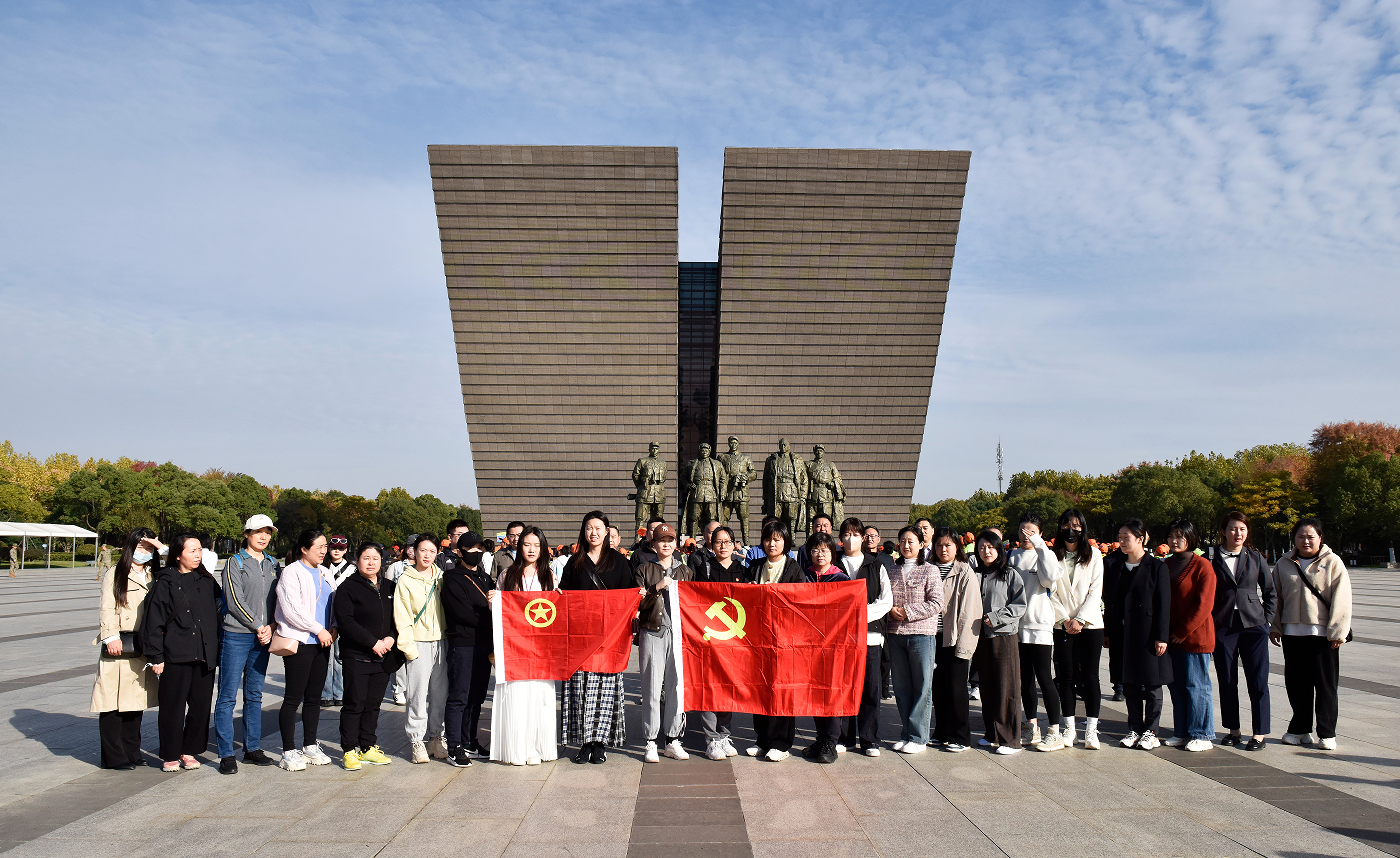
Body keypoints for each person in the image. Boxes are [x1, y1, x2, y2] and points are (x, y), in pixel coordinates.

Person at [560, 511, 635, 764]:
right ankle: (585, 742)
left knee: (605, 690)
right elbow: (565, 595)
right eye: (589, 528)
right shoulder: (574, 562)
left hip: (609, 637)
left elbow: (627, 594)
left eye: (598, 528)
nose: (593, 532)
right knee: (581, 690)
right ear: (583, 532)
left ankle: (600, 742)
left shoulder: (619, 561)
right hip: (581, 637)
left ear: (606, 531)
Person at [143, 533, 222, 772]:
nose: (198, 555)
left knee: (200, 707)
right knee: (173, 708)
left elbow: (218, 612)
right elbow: (153, 620)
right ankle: (170, 753)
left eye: (199, 550)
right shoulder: (165, 582)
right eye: (192, 551)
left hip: (204, 654)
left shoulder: (207, 581)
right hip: (176, 655)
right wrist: (156, 656)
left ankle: (189, 750)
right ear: (178, 555)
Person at [1271, 517, 1351, 751]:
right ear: (1294, 539)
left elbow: (1342, 598)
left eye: (1310, 537)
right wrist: (1275, 626)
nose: (1305, 541)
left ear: (1320, 538)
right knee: (1297, 684)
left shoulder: (1333, 562)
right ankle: (1300, 729)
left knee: (1325, 685)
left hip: (1323, 635)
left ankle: (1327, 733)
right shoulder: (1284, 563)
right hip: (1292, 633)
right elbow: (1276, 597)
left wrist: (1338, 632)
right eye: (1300, 536)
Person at [214, 514, 281, 774]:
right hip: (237, 635)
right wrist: (258, 626)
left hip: (263, 637)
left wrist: (271, 626)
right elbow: (234, 600)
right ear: (246, 534)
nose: (263, 537)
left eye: (267, 532)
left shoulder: (272, 563)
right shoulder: (235, 562)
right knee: (227, 695)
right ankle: (226, 753)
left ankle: (252, 748)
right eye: (257, 532)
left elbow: (278, 600)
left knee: (254, 694)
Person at [91, 528, 161, 769]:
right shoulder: (116, 572)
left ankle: (132, 752)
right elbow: (107, 607)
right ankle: (113, 757)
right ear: (130, 547)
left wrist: (160, 546)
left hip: (144, 644)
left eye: (150, 548)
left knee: (134, 702)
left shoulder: (155, 574)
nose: (145, 552)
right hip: (120, 643)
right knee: (111, 703)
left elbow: (177, 562)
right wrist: (110, 637)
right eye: (141, 547)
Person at [491, 526, 560, 766]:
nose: (531, 550)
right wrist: (493, 601)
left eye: (537, 545)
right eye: (527, 544)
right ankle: (518, 748)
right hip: (515, 648)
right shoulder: (507, 575)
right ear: (519, 546)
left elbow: (555, 611)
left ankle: (537, 746)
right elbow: (500, 610)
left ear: (543, 548)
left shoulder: (549, 576)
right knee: (518, 696)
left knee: (539, 696)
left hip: (541, 648)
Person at [1106, 519, 1172, 750]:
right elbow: (1109, 601)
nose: (1122, 542)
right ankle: (1134, 728)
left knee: (1152, 685)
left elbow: (1164, 604)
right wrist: (1108, 631)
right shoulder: (1115, 566)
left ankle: (1151, 731)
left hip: (1148, 634)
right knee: (1129, 683)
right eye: (1120, 537)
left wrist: (1162, 636)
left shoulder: (1156, 567)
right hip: (1123, 633)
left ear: (1140, 539)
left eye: (1127, 537)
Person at [273, 529, 337, 771]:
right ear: (304, 548)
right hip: (301, 642)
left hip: (322, 642)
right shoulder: (291, 572)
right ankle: (288, 751)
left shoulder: (325, 572)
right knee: (293, 698)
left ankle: (310, 745)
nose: (323, 551)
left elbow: (333, 603)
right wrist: (318, 629)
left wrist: (333, 627)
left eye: (325, 546)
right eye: (319, 546)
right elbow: (292, 609)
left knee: (313, 698)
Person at [1212, 511, 1275, 751]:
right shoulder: (1212, 557)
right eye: (1232, 528)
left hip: (1253, 625)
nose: (1237, 533)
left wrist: (1266, 621)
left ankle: (1259, 733)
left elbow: (1270, 592)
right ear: (1223, 531)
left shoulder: (1255, 557)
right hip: (1224, 625)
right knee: (1227, 680)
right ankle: (1233, 730)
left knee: (1258, 681)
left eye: (1242, 529)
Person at [334, 542, 399, 770]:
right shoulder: (347, 588)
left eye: (375, 558)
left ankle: (367, 746)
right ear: (357, 560)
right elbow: (346, 621)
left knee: (373, 704)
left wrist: (391, 638)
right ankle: (349, 750)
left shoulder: (390, 587)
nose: (371, 563)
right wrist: (373, 643)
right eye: (366, 558)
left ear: (382, 561)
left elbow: (399, 617)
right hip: (357, 656)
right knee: (355, 703)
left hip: (384, 656)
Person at [833, 517, 892, 757]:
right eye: (847, 534)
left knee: (870, 689)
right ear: (840, 538)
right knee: (844, 688)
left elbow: (886, 600)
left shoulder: (876, 565)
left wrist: (859, 614)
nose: (851, 539)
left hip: (870, 636)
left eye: (856, 534)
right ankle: (844, 737)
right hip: (841, 638)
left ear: (863, 538)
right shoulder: (834, 565)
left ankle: (869, 740)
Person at [747, 519, 805, 761]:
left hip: (784, 639)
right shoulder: (754, 566)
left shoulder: (794, 568)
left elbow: (801, 601)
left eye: (777, 539)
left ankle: (780, 744)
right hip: (759, 638)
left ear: (785, 542)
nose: (772, 544)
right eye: (768, 539)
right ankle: (762, 739)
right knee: (760, 688)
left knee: (781, 689)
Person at [691, 525, 750, 759]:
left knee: (728, 688)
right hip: (710, 638)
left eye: (727, 542)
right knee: (710, 687)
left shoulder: (743, 571)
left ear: (735, 545)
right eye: (718, 542)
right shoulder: (704, 569)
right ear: (712, 545)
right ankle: (711, 739)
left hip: (733, 640)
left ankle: (724, 734)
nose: (723, 546)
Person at [884, 526, 945, 754]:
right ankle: (906, 733)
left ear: (921, 544)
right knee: (901, 687)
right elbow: (884, 598)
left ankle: (919, 737)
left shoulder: (930, 570)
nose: (906, 545)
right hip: (896, 634)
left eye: (911, 541)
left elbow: (936, 603)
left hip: (921, 634)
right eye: (902, 541)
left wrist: (907, 611)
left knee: (922, 687)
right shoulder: (891, 570)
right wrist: (891, 610)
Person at [1007, 513, 1066, 751]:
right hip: (1017, 626)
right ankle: (1031, 725)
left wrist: (1040, 546)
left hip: (1039, 625)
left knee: (1044, 677)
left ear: (1040, 533)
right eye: (1023, 530)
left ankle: (1055, 730)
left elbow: (1051, 578)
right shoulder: (1011, 556)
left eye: (1031, 531)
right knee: (1025, 679)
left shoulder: (1046, 556)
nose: (1026, 535)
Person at [635, 523, 693, 763]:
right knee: (651, 686)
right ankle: (650, 740)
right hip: (652, 630)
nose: (666, 544)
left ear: (676, 543)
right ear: (653, 544)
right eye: (661, 540)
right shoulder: (644, 569)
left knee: (676, 686)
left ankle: (673, 739)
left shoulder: (685, 571)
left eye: (670, 540)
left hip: (678, 634)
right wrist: (655, 588)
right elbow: (636, 602)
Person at [1049, 509, 1105, 750]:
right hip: (1062, 624)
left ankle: (1091, 730)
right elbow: (1049, 591)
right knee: (1066, 677)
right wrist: (1064, 619)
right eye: (1066, 525)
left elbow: (1095, 590)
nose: (1070, 530)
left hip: (1089, 624)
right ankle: (1069, 728)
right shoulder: (1052, 556)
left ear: (1082, 528)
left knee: (1091, 677)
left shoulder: (1094, 554)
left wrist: (1080, 619)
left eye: (1075, 525)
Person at [395, 533, 449, 763]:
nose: (427, 555)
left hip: (442, 641)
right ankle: (416, 740)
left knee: (440, 693)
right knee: (417, 694)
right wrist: (408, 647)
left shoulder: (442, 577)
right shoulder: (405, 580)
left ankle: (437, 737)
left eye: (432, 551)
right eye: (423, 550)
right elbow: (402, 616)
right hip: (418, 642)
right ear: (414, 552)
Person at [441, 531, 495, 766]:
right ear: (460, 552)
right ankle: (454, 746)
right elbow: (462, 613)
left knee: (477, 697)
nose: (476, 553)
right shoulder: (453, 579)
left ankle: (470, 740)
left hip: (483, 645)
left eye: (479, 549)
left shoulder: (485, 578)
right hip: (463, 644)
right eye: (471, 549)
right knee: (459, 696)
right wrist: (490, 613)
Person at [1163, 519, 1216, 752]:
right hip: (1171, 638)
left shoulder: (1203, 566)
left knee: (1197, 686)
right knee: (1176, 686)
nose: (1175, 541)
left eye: (1180, 536)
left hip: (1195, 637)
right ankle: (1182, 732)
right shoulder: (1165, 564)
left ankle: (1202, 734)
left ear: (1190, 538)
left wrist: (1182, 631)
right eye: (1171, 536)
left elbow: (1204, 605)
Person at [971, 530, 1026, 754]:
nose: (986, 551)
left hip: (1003, 636)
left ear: (999, 549)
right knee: (987, 686)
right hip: (980, 637)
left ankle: (1010, 740)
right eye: (982, 547)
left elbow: (1019, 605)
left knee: (1006, 687)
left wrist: (996, 617)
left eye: (991, 547)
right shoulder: (974, 574)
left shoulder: (1010, 574)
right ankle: (991, 733)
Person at [801, 531, 851, 764]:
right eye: (815, 550)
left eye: (824, 550)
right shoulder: (804, 577)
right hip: (809, 644)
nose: (819, 554)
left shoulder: (841, 579)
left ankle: (831, 741)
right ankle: (821, 738)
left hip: (834, 645)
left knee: (831, 691)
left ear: (832, 553)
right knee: (815, 691)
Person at [928, 527, 979, 752]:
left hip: (954, 638)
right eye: (939, 545)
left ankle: (960, 736)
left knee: (956, 689)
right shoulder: (928, 568)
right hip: (932, 637)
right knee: (938, 688)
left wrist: (965, 645)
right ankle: (941, 732)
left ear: (957, 547)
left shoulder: (964, 571)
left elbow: (970, 610)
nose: (943, 549)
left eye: (948, 545)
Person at [321, 534, 356, 707]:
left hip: (344, 618)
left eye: (340, 548)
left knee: (340, 656)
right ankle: (326, 693)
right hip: (324, 617)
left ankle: (340, 692)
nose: (337, 551)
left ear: (345, 550)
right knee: (326, 657)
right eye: (334, 548)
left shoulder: (352, 569)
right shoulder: (321, 567)